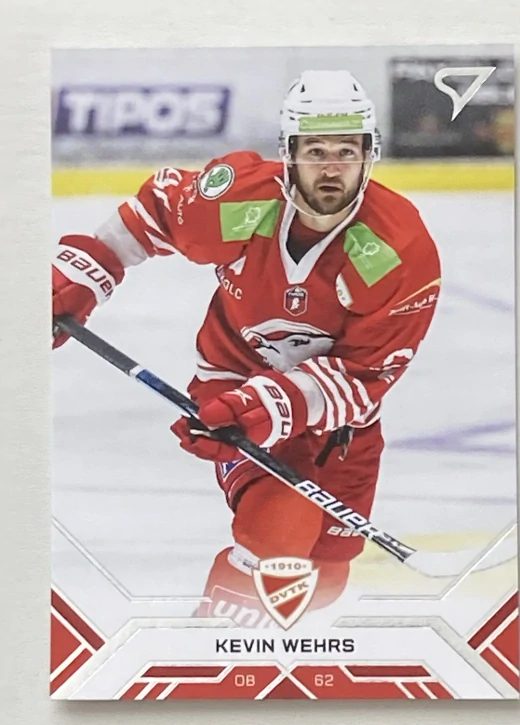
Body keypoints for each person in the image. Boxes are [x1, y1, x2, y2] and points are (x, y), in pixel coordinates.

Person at [52, 70, 441, 626]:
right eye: (315, 151)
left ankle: (259, 662)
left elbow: (364, 376)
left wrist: (270, 406)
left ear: (369, 154)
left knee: (323, 579)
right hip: (232, 384)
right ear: (289, 153)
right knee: (279, 534)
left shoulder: (399, 248)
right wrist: (87, 272)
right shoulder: (240, 199)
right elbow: (157, 212)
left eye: (347, 151)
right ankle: (206, 653)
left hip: (340, 427)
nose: (332, 168)